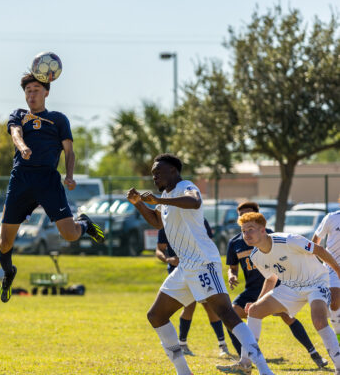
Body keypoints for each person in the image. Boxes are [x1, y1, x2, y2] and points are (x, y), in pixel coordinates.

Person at [126, 153, 273, 375]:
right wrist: (139, 204)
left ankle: (263, 369)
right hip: (185, 266)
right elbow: (158, 222)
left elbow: (194, 202)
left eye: (158, 172)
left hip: (204, 261)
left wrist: (159, 200)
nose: (154, 176)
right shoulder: (166, 197)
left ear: (173, 171)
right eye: (153, 173)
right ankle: (184, 372)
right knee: (156, 315)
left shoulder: (186, 186)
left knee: (226, 312)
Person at [0, 73, 105, 303]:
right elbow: (15, 133)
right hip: (21, 179)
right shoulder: (18, 115)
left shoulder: (58, 119)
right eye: (28, 90)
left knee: (70, 235)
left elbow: (69, 151)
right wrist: (23, 147)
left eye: (36, 89)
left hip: (47, 180)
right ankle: (9, 273)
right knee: (5, 242)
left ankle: (84, 222)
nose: (31, 94)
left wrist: (70, 176)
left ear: (47, 92)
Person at [231, 212, 340, 375]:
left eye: (251, 229)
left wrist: (338, 272)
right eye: (244, 231)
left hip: (316, 282)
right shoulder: (256, 256)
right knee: (254, 311)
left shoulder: (289, 239)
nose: (246, 234)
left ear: (263, 230)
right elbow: (270, 279)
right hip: (290, 287)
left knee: (318, 320)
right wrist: (258, 301)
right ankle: (245, 363)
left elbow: (320, 250)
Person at [156, 220, 233, 359]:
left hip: (199, 268)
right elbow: (159, 250)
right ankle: (183, 344)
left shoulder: (198, 219)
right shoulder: (167, 221)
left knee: (209, 305)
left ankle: (222, 344)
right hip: (178, 271)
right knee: (189, 306)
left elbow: (207, 243)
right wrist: (168, 259)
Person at [312, 195, 340, 341]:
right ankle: (338, 333)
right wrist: (317, 261)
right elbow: (316, 240)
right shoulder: (332, 218)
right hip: (331, 266)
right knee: (335, 301)